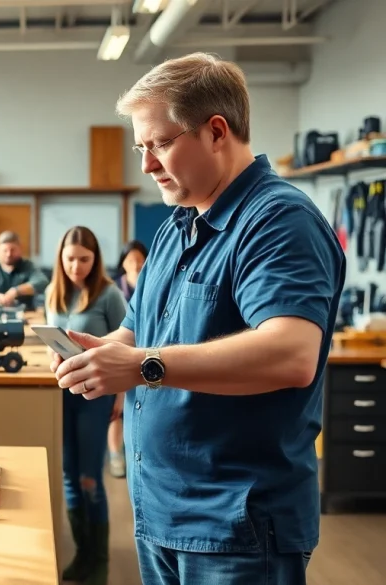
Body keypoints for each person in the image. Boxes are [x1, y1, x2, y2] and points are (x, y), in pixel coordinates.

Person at [52, 52, 345, 585]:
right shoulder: (177, 226)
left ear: (216, 132)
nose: (146, 164)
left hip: (236, 527)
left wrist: (141, 367)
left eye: (160, 143)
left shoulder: (279, 222)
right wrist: (98, 352)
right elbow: (138, 331)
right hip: (161, 513)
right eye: (142, 148)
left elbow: (291, 354)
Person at [44, 226, 126, 585]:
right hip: (62, 393)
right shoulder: (53, 294)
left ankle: (100, 563)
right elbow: (53, 340)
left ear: (95, 260)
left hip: (96, 394)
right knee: (68, 474)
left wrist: (121, 396)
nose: (76, 266)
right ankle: (82, 554)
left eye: (84, 259)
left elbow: (128, 349)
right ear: (60, 259)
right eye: (70, 259)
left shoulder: (108, 294)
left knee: (90, 476)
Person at [107, 239, 149, 479]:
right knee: (117, 411)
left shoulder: (151, 281)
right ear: (123, 262)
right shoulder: (115, 289)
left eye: (139, 259)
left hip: (146, 354)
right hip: (120, 349)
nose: (135, 264)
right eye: (130, 259)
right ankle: (115, 455)